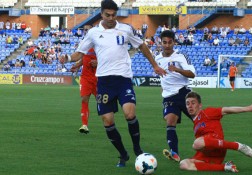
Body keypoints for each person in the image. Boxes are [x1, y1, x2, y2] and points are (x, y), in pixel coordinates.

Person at [60, 0, 166, 167]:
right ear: (101, 14)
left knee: (130, 114)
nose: (110, 18)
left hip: (123, 79)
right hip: (104, 81)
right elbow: (79, 53)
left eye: (113, 15)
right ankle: (123, 154)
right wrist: (66, 58)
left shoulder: (126, 29)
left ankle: (137, 149)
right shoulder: (94, 33)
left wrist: (155, 65)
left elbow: (142, 46)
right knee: (108, 121)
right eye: (107, 15)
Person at [180, 92, 252, 172]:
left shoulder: (207, 112)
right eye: (187, 104)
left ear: (200, 105)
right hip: (208, 153)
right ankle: (227, 167)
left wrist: (248, 108)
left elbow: (226, 110)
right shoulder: (195, 124)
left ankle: (237, 146)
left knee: (196, 144)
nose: (190, 106)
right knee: (183, 164)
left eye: (193, 103)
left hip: (218, 147)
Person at [154, 30, 196, 162]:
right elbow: (162, 77)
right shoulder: (157, 58)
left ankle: (212, 145)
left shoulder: (181, 56)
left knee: (199, 121)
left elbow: (192, 74)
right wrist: (164, 89)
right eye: (164, 42)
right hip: (168, 96)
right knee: (170, 121)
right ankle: (175, 153)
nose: (167, 45)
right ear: (160, 43)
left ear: (174, 42)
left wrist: (177, 69)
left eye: (169, 42)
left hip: (184, 93)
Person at [68, 25, 98, 134]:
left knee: (102, 102)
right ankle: (84, 125)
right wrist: (77, 65)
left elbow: (108, 59)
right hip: (85, 77)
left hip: (98, 77)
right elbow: (83, 58)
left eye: (88, 30)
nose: (86, 31)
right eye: (85, 30)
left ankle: (108, 121)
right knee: (84, 99)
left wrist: (98, 63)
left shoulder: (99, 43)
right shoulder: (84, 44)